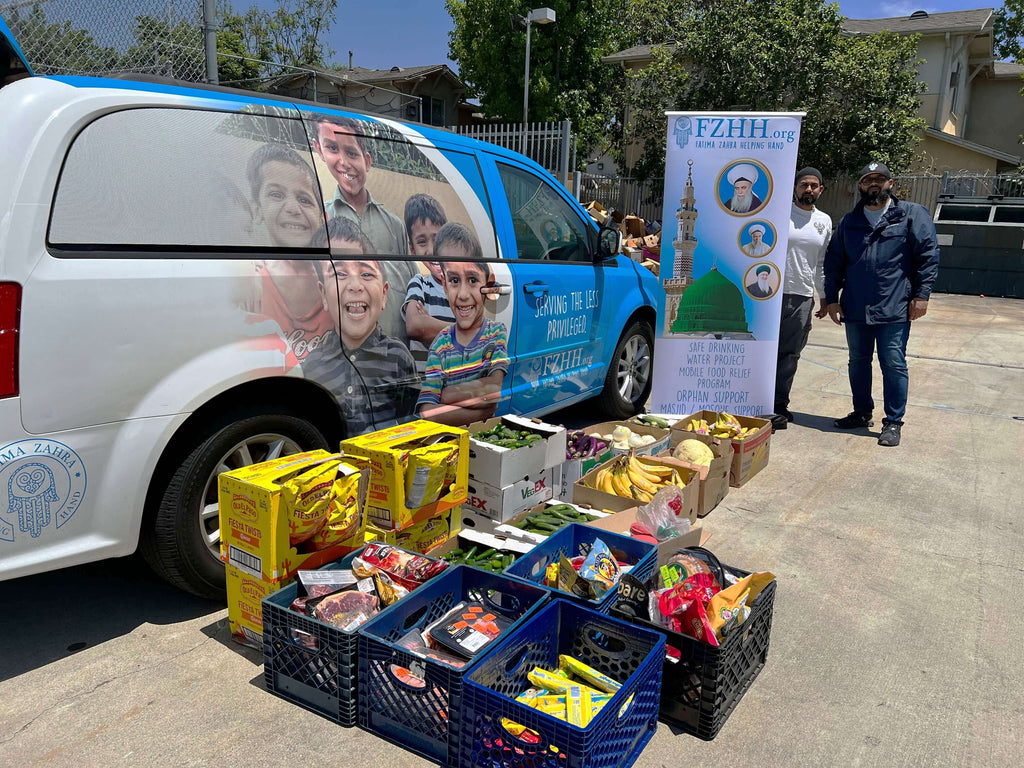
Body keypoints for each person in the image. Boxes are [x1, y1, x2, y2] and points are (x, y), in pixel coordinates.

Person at [824, 161, 940, 447]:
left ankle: (893, 421)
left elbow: (928, 255)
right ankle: (862, 412)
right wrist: (830, 299)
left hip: (894, 305)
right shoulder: (850, 222)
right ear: (860, 186)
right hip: (856, 306)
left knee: (893, 362)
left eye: (880, 179)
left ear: (890, 184)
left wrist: (922, 295)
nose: (873, 184)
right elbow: (834, 262)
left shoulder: (911, 215)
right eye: (867, 180)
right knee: (858, 363)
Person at [302, 221, 417, 436]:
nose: (355, 286)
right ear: (323, 295)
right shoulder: (312, 365)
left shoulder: (398, 357)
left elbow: (408, 426)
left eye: (366, 274)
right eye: (340, 274)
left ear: (384, 295)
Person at [311, 114, 416, 345]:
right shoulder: (322, 221)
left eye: (351, 153)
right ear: (319, 151)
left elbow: (412, 287)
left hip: (395, 352)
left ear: (367, 161)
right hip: (345, 352)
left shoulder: (394, 225)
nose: (344, 162)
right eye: (332, 149)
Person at [246, 143, 333, 364]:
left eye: (304, 200)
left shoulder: (339, 284)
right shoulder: (246, 286)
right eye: (276, 194)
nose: (293, 208)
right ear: (257, 210)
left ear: (322, 218)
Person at [416, 223, 508, 426]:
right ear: (445, 286)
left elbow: (493, 390)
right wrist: (480, 412)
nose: (463, 295)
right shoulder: (440, 345)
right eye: (455, 280)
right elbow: (426, 411)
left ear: (488, 284)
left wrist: (446, 395)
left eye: (473, 280)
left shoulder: (495, 334)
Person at [773, 167, 832, 427]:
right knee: (763, 350)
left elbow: (820, 263)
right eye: (803, 185)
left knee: (789, 355)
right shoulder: (778, 214)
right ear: (795, 188)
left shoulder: (825, 222)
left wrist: (824, 296)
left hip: (802, 298)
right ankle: (756, 403)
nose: (808, 189)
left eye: (813, 185)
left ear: (820, 190)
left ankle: (778, 405)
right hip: (769, 295)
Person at [402, 193, 454, 363]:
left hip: (455, 381)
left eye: (437, 238)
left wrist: (430, 323)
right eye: (422, 242)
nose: (432, 250)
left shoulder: (460, 288)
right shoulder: (419, 284)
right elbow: (415, 326)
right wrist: (463, 332)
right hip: (426, 385)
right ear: (412, 250)